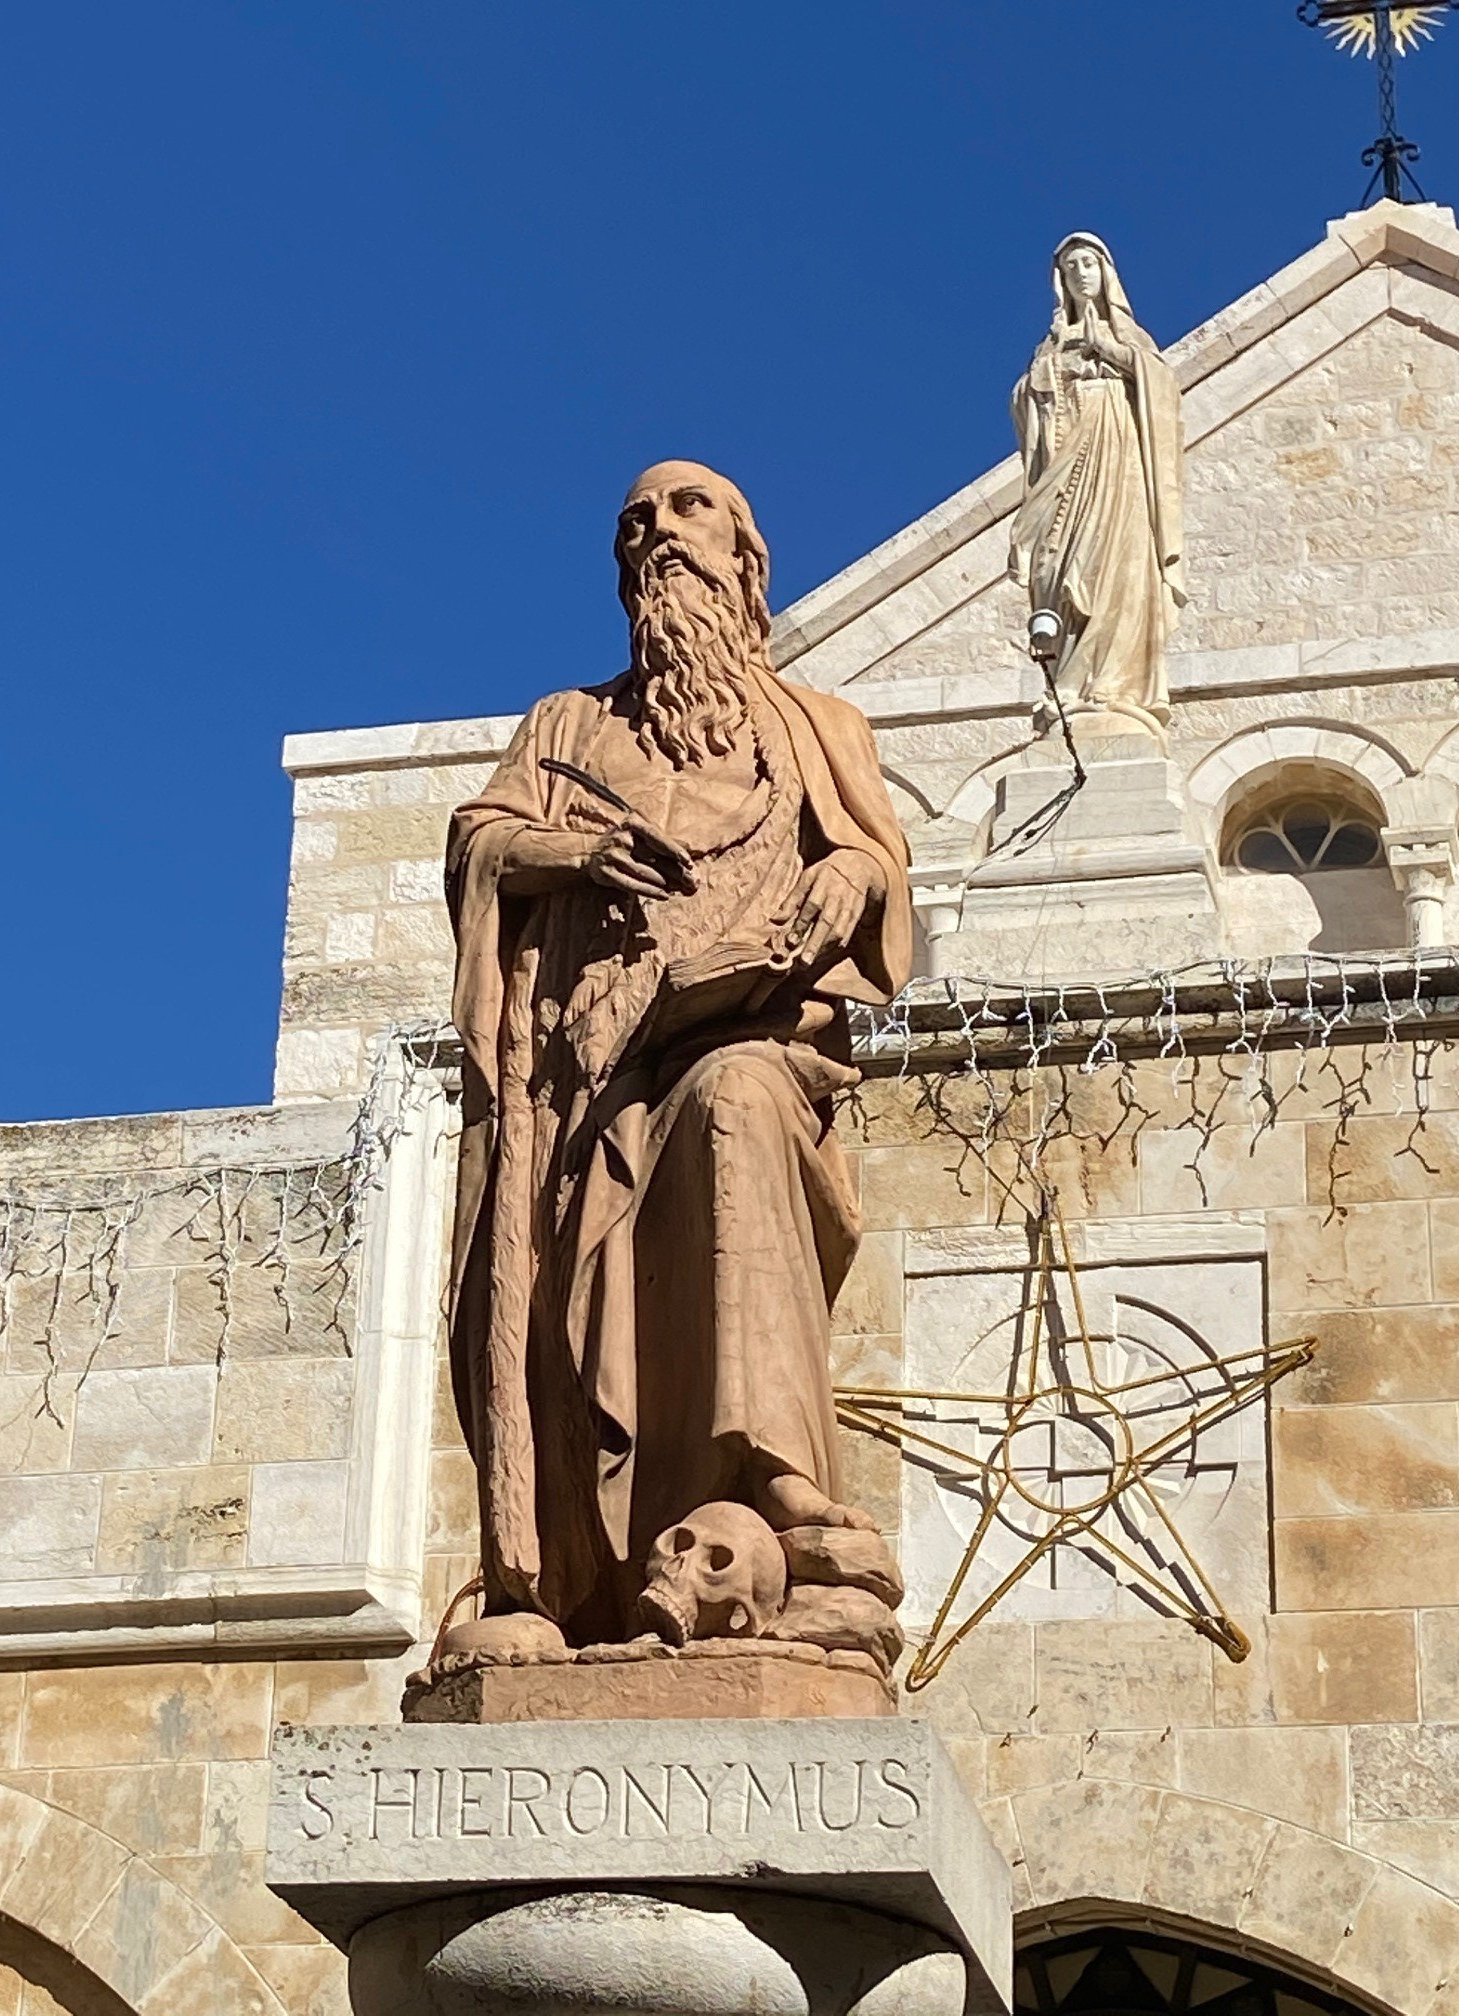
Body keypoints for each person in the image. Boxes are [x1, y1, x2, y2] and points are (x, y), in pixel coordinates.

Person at [445, 461, 912, 1644]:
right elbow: (480, 843)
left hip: (753, 1038)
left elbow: (878, 870)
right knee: (633, 1181)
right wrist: (575, 854)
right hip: (594, 1078)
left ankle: (771, 1489)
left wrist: (852, 875)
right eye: (634, 523)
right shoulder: (568, 725)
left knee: (732, 1100)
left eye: (686, 510)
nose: (656, 532)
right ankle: (581, 1565)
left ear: (743, 559)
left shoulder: (818, 728)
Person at [1010, 233, 1186, 725]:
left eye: (1088, 263)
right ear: (1060, 282)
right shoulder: (1050, 345)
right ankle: (1071, 678)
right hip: (1070, 465)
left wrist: (1110, 350)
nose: (1081, 274)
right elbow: (1026, 402)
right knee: (1066, 567)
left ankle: (1114, 681)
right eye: (1071, 268)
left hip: (1120, 460)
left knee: (1122, 565)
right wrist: (1046, 375)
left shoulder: (1130, 338)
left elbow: (1161, 388)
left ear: (1105, 271)